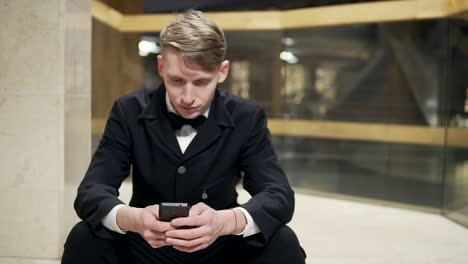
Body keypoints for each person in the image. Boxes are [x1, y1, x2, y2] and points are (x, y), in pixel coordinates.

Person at [62, 10, 306, 264]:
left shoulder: (247, 116)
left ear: (222, 72)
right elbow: (91, 191)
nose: (187, 97)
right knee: (84, 237)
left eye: (201, 82)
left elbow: (278, 194)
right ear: (160, 67)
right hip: (144, 247)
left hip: (221, 247)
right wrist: (133, 219)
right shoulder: (128, 110)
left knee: (283, 242)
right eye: (177, 80)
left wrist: (226, 222)